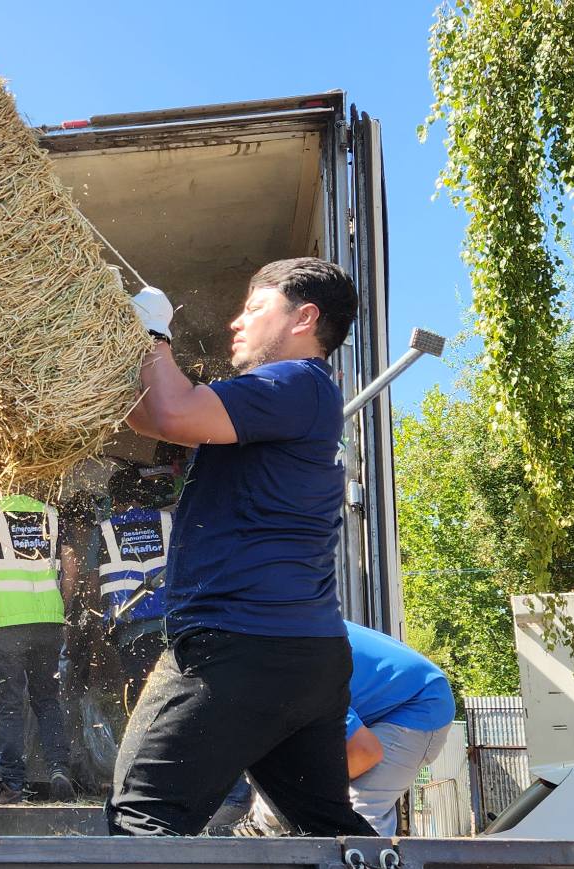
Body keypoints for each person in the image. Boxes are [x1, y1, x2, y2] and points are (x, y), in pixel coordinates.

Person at [105, 257, 377, 838]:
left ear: (304, 318)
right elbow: (153, 417)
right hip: (304, 655)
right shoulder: (298, 397)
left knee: (143, 818)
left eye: (254, 308)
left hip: (239, 645)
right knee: (327, 835)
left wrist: (153, 335)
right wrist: (120, 351)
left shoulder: (293, 382)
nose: (237, 321)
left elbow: (174, 412)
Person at [225, 621, 455, 836]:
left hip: (419, 703)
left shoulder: (283, 670)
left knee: (353, 816)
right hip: (378, 696)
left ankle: (371, 866)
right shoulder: (256, 638)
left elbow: (364, 753)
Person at [0, 493, 79, 803]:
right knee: (47, 699)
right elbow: (71, 569)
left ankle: (13, 784)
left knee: (10, 703)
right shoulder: (52, 514)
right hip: (47, 623)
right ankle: (59, 770)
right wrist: (61, 609)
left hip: (5, 623)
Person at [96, 466, 176, 709]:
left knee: (141, 697)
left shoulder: (105, 530)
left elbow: (91, 581)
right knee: (173, 694)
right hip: (171, 624)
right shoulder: (168, 521)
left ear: (115, 499)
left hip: (131, 626)